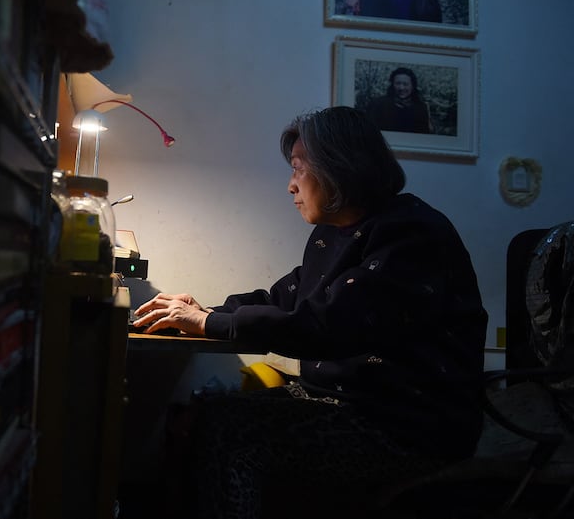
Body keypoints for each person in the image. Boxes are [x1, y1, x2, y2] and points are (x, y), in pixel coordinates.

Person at [132, 106, 487, 518]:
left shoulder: (411, 233)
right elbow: (287, 298)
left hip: (406, 427)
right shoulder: (332, 235)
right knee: (202, 415)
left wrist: (213, 323)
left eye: (299, 169)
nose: (290, 186)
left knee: (230, 433)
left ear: (341, 168)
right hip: (344, 402)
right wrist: (206, 311)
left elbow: (330, 325)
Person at [366, 66, 433, 134]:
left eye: (405, 84)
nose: (401, 88)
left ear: (413, 86)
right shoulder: (377, 104)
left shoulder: (421, 108)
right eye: (398, 83)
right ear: (392, 84)